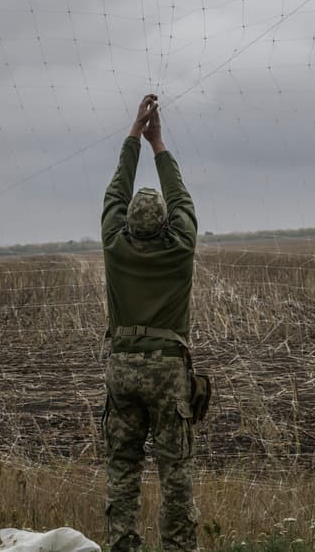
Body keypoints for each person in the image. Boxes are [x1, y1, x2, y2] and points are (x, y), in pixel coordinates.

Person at [101, 94, 199, 552]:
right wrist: (159, 143)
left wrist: (134, 136)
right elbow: (181, 198)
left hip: (122, 368)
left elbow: (114, 193)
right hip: (167, 370)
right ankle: (178, 547)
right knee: (175, 469)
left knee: (122, 467)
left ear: (126, 224)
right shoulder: (179, 246)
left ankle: (124, 546)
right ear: (165, 224)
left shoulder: (114, 245)